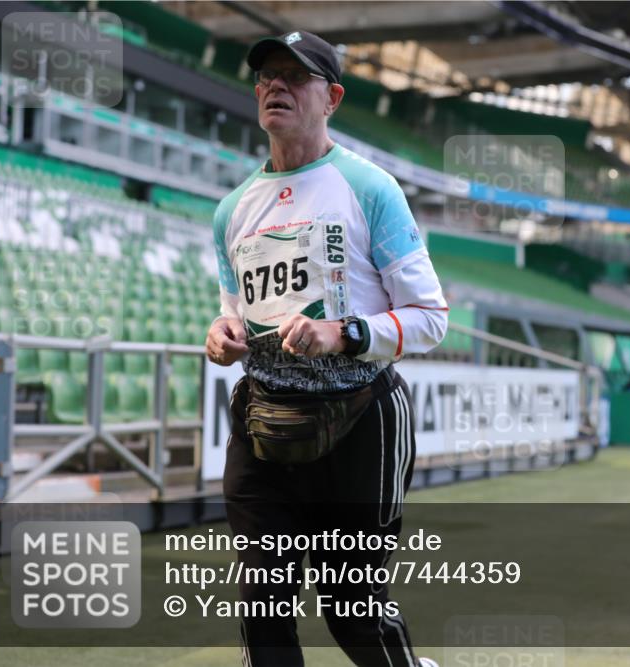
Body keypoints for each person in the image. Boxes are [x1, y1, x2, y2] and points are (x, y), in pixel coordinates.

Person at [205, 29, 446, 667]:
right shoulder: (231, 210)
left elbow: (430, 318)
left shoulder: (370, 189)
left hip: (361, 422)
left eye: (295, 75)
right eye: (265, 76)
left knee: (352, 608)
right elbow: (236, 314)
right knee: (263, 607)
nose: (275, 86)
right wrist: (223, 333)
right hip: (264, 422)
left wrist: (345, 334)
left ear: (331, 97)